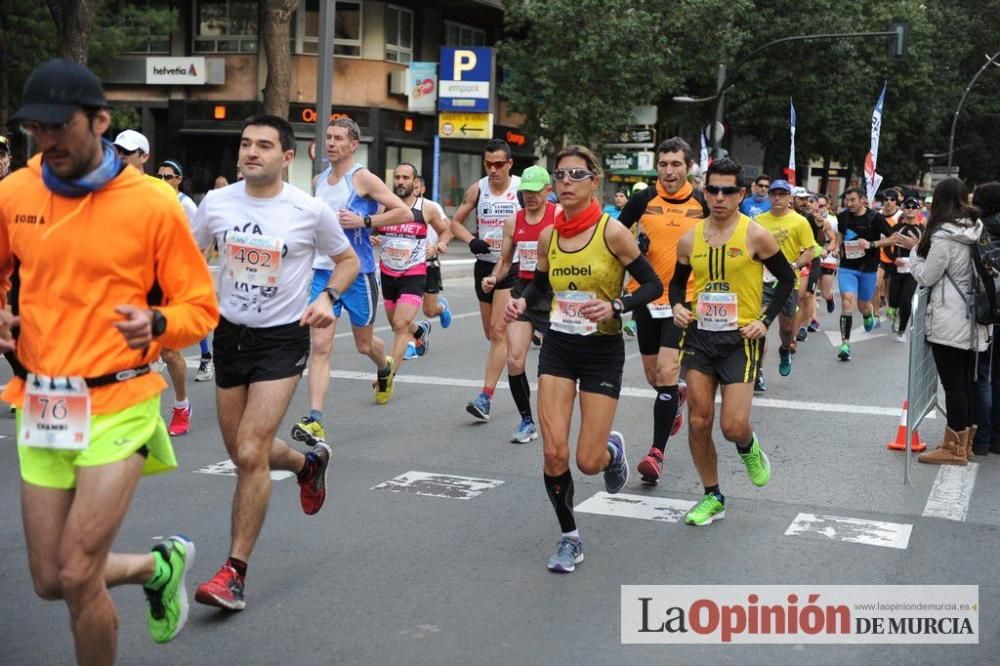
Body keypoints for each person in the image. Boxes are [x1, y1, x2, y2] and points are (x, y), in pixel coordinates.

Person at [0, 58, 218, 660]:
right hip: (43, 399)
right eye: (35, 130)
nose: (46, 142)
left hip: (121, 399)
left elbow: (200, 307)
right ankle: (157, 566)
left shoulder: (151, 204)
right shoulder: (15, 191)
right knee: (48, 580)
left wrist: (159, 322)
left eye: (58, 127)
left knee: (76, 573)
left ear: (99, 121)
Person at [191, 115, 361, 610]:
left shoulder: (307, 211)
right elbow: (187, 251)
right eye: (245, 144)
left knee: (249, 450)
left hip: (282, 339)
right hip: (229, 335)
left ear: (287, 157)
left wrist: (328, 297)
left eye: (264, 145)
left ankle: (233, 573)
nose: (251, 152)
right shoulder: (217, 203)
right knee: (245, 451)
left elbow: (347, 260)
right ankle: (308, 464)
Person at [505, 145, 663, 572]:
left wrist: (617, 307)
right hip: (559, 346)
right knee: (554, 453)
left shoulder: (613, 232)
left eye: (577, 174)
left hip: (601, 352)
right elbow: (539, 286)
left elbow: (651, 284)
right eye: (560, 175)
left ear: (595, 181)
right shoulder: (548, 236)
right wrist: (521, 302)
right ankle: (569, 537)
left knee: (586, 461)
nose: (566, 183)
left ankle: (611, 451)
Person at [669, 157, 793, 526]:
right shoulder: (690, 237)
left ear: (741, 194)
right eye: (712, 189)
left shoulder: (756, 234)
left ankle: (748, 446)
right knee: (698, 421)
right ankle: (712, 496)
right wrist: (677, 305)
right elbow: (677, 282)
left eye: (727, 191)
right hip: (700, 337)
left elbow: (786, 280)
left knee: (732, 425)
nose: (718, 197)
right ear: (704, 191)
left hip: (740, 340)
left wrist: (764, 320)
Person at [292, 118, 411, 444]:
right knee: (320, 346)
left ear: (353, 144)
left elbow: (404, 212)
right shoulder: (319, 180)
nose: (331, 143)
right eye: (328, 137)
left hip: (358, 273)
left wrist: (365, 220)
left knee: (363, 345)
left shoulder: (362, 178)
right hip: (322, 272)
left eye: (338, 138)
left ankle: (383, 366)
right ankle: (315, 419)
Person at [615, 137, 708, 482]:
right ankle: (676, 396)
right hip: (645, 297)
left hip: (683, 300)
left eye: (676, 165)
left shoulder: (702, 203)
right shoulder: (642, 200)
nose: (669, 171)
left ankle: (656, 454)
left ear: (688, 168)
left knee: (668, 372)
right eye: (664, 164)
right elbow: (613, 235)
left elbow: (725, 237)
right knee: (656, 377)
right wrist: (630, 247)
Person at [902, 178, 990, 465]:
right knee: (965, 381)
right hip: (974, 316)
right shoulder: (976, 229)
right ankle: (966, 442)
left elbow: (927, 276)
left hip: (949, 317)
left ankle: (954, 448)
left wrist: (915, 255)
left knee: (953, 383)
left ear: (939, 201)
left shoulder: (943, 235)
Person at [449, 139, 522, 421]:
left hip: (510, 267)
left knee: (498, 331)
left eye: (499, 164)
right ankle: (516, 346)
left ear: (510, 164)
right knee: (491, 335)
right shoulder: (477, 189)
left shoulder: (519, 190)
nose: (493, 170)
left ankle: (485, 397)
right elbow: (454, 222)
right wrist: (472, 240)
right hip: (484, 266)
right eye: (488, 164)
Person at [483, 165, 556, 443]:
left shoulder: (558, 216)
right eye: (526, 192)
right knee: (515, 360)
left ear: (548, 191)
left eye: (536, 192)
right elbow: (504, 260)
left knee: (552, 369)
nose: (530, 197)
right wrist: (493, 278)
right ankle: (527, 421)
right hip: (523, 292)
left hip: (553, 293)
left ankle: (555, 416)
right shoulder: (514, 221)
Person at [380, 162, 450, 370]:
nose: (401, 182)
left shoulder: (426, 208)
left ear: (415, 181)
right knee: (397, 323)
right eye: (397, 177)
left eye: (405, 178)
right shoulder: (383, 205)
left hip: (415, 272)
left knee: (400, 326)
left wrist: (439, 245)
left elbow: (446, 230)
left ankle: (387, 377)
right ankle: (419, 332)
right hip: (387, 272)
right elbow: (371, 230)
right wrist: (373, 238)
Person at [158, 160, 216, 384]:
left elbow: (202, 235)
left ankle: (205, 356)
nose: (163, 181)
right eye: (160, 176)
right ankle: (161, 353)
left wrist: (198, 262)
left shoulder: (188, 205)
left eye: (168, 177)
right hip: (161, 266)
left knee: (190, 315)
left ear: (178, 179)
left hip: (183, 267)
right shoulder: (155, 199)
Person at [753, 180, 814, 386]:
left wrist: (795, 264)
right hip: (763, 281)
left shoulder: (799, 222)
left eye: (782, 194)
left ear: (790, 198)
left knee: (787, 328)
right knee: (760, 324)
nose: (777, 198)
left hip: (788, 282)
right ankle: (758, 371)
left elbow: (810, 250)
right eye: (774, 194)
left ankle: (785, 349)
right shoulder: (758, 220)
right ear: (769, 196)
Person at [834, 187, 895, 361]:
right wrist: (836, 249)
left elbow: (892, 238)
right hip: (847, 268)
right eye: (847, 200)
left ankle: (868, 314)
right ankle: (845, 344)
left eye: (853, 200)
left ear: (862, 200)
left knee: (863, 305)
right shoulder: (843, 216)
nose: (849, 203)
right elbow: (840, 234)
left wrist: (871, 244)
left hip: (868, 268)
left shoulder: (875, 218)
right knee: (847, 302)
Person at [971, 182, 1000, 456]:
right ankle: (996, 438)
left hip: (986, 309)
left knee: (981, 374)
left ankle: (981, 437)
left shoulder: (979, 229)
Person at [411, 174, 453, 335]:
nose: (413, 191)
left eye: (416, 188)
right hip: (407, 265)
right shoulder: (400, 207)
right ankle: (413, 342)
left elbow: (448, 230)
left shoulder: (431, 207)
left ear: (423, 189)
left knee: (429, 311)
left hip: (429, 264)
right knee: (406, 310)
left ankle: (441, 307)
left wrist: (437, 246)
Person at [885, 197, 924, 343]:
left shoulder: (922, 230)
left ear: (919, 210)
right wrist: (894, 259)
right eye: (907, 207)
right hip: (898, 267)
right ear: (903, 209)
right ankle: (893, 310)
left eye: (914, 207)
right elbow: (887, 246)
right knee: (894, 297)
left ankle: (901, 330)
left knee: (906, 300)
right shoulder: (896, 228)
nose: (910, 210)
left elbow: (927, 249)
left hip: (913, 270)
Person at [815, 194, 840, 313]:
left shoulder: (833, 220)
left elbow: (837, 237)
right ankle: (811, 320)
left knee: (825, 292)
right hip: (813, 254)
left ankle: (829, 299)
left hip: (828, 256)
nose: (819, 208)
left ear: (827, 206)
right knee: (810, 292)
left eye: (822, 206)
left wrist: (835, 249)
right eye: (817, 205)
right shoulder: (809, 218)